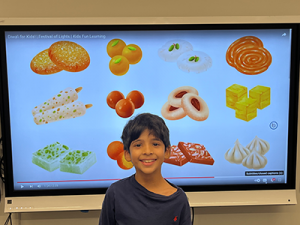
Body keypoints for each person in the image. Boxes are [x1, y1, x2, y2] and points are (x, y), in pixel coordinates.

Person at [99, 113, 192, 225]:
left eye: (155, 144)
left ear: (167, 152)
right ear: (127, 154)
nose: (147, 151)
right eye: (138, 145)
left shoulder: (179, 200)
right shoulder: (115, 193)